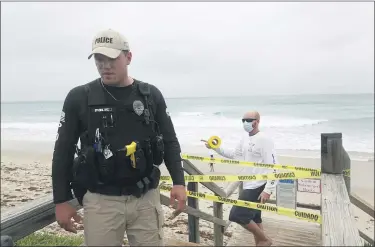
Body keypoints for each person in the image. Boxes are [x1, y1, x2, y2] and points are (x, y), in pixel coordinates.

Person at [51, 29, 187, 246]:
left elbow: (170, 141)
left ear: (128, 57)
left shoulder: (151, 95)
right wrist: (61, 200)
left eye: (112, 59)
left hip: (146, 198)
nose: (105, 65)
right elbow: (63, 151)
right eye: (99, 59)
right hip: (100, 201)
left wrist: (179, 182)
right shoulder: (79, 97)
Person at [203, 111, 277, 247]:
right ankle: (261, 243)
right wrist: (216, 148)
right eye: (243, 120)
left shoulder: (265, 139)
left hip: (259, 184)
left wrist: (268, 189)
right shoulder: (244, 138)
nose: (245, 123)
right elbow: (234, 155)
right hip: (248, 183)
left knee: (237, 215)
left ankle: (265, 240)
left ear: (257, 121)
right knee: (255, 217)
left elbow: (273, 166)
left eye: (248, 120)